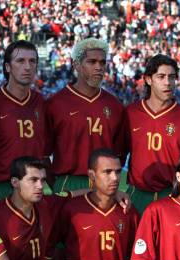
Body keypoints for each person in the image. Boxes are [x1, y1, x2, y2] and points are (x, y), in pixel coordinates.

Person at [125, 54, 180, 214]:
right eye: (161, 76)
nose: (167, 82)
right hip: (137, 196)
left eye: (171, 77)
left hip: (174, 196)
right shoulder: (131, 113)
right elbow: (116, 155)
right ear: (148, 80)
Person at [45, 37, 126, 194]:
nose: (98, 67)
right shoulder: (56, 103)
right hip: (69, 182)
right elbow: (43, 154)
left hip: (104, 184)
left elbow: (120, 153)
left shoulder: (115, 106)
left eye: (102, 63)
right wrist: (56, 185)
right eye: (92, 62)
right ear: (76, 65)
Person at [0, 41, 46, 207]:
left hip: (33, 188)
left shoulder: (42, 103)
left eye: (32, 62)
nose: (27, 67)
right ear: (8, 67)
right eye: (20, 61)